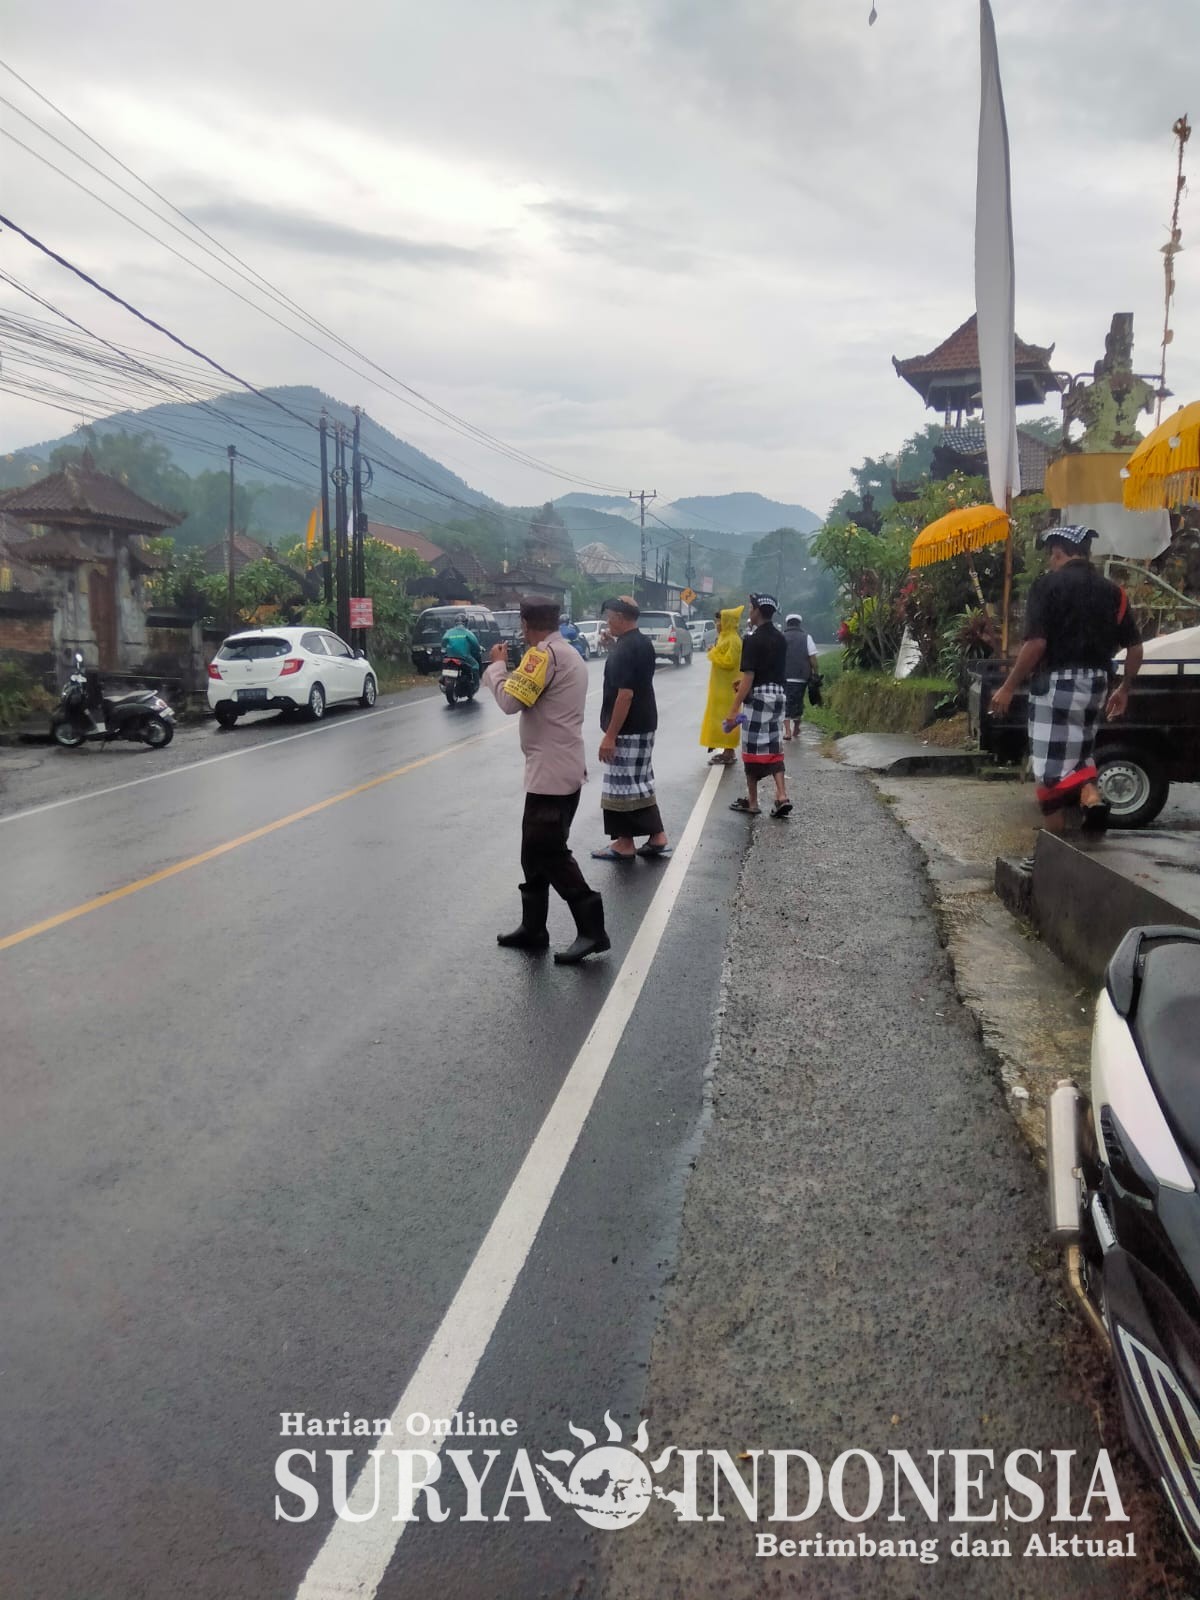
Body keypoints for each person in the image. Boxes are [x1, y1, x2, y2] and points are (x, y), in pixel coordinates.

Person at [989, 524, 1142, 844]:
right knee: (1077, 756)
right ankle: (1091, 799)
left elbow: (1036, 644)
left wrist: (1008, 686)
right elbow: (1135, 647)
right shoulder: (1114, 592)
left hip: (1056, 686)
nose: (1050, 561)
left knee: (1049, 774)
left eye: (1052, 555)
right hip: (1097, 685)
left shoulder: (1047, 586)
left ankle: (1052, 849)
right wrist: (1124, 689)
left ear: (1058, 552)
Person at [483, 597, 609, 963]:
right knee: (532, 851)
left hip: (551, 773)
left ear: (525, 623)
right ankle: (533, 927)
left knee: (550, 851)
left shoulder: (542, 656)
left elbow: (510, 702)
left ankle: (592, 929)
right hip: (556, 769)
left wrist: (497, 667)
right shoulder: (567, 652)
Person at [593, 595, 671, 860]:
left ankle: (624, 842)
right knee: (639, 781)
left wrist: (610, 736)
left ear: (619, 617)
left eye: (609, 617)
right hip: (644, 722)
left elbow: (624, 695)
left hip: (628, 727)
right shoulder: (640, 642)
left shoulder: (625, 649)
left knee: (622, 786)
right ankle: (657, 835)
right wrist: (612, 646)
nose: (607, 622)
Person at [725, 592, 792, 819]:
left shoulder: (752, 639)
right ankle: (782, 795)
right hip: (778, 697)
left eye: (750, 607)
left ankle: (753, 801)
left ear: (757, 611)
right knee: (774, 745)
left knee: (752, 748)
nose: (749, 611)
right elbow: (771, 671)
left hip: (758, 699)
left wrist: (734, 709)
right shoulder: (781, 638)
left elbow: (749, 677)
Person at [699, 605, 744, 766]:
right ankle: (722, 748)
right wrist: (715, 650)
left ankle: (729, 752)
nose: (717, 624)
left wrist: (713, 653)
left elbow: (729, 662)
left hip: (727, 688)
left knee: (728, 717)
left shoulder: (733, 640)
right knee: (718, 718)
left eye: (719, 621)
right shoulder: (724, 637)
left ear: (727, 622)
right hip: (720, 688)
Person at [782, 613, 819, 740]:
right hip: (801, 677)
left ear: (787, 624)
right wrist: (815, 672)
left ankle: (787, 731)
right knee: (798, 702)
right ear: (799, 624)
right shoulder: (807, 637)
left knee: (785, 703)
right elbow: (813, 658)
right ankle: (796, 727)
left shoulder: (781, 637)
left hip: (784, 676)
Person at [441, 612, 482, 689]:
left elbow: (444, 640)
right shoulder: (468, 633)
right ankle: (476, 685)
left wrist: (443, 649)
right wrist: (478, 650)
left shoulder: (449, 632)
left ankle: (443, 678)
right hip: (464, 657)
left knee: (444, 664)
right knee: (475, 665)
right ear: (466, 623)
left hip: (450, 656)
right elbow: (475, 644)